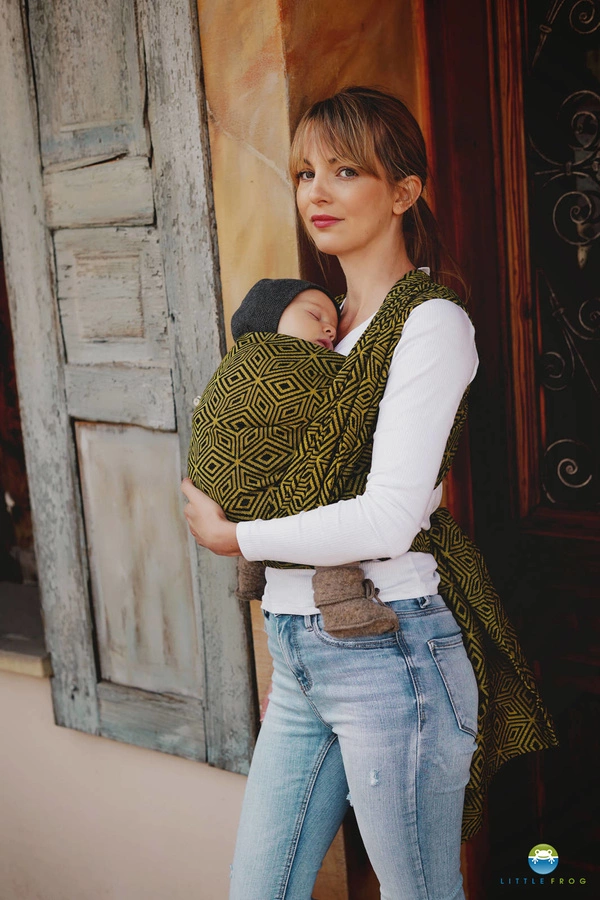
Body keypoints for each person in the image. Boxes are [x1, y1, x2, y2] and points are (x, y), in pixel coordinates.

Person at [180, 86, 558, 900]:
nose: (316, 191)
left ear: (403, 191)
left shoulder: (429, 323)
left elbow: (388, 518)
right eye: (305, 172)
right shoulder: (314, 324)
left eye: (345, 171)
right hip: (298, 648)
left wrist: (237, 537)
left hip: (391, 654)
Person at [187, 277, 401, 637]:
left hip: (223, 493)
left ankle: (253, 573)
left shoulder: (244, 365)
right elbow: (357, 392)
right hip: (236, 486)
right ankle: (343, 602)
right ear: (269, 318)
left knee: (292, 470)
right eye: (315, 315)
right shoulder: (272, 363)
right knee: (330, 480)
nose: (329, 328)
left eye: (333, 323)